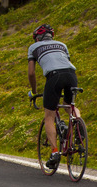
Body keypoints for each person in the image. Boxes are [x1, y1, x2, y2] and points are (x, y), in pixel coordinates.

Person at [27, 24, 78, 170]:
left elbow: (31, 73)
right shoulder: (62, 44)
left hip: (54, 77)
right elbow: (65, 63)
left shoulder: (33, 47)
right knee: (69, 106)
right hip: (71, 75)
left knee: (49, 115)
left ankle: (55, 152)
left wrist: (34, 90)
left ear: (37, 37)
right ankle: (78, 124)